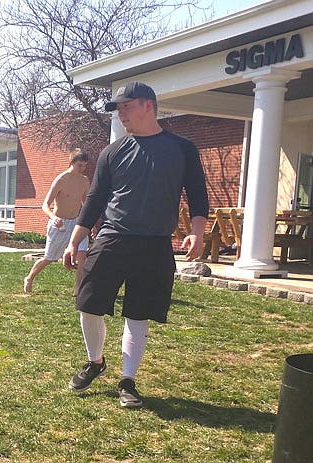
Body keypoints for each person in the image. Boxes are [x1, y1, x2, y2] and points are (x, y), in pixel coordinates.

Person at [62, 81, 208, 408]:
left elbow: (198, 194)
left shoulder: (182, 148)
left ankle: (128, 381)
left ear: (148, 106)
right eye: (119, 110)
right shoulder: (112, 152)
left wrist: (197, 231)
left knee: (138, 315)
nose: (122, 115)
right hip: (112, 236)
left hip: (155, 243)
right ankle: (96, 362)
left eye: (126, 107)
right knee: (88, 303)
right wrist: (75, 240)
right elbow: (96, 199)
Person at [24, 148, 91, 295]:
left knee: (82, 254)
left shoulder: (85, 181)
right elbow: (45, 205)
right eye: (80, 165)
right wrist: (54, 218)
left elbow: (86, 205)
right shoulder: (61, 180)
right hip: (59, 224)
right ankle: (29, 278)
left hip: (76, 224)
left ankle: (78, 288)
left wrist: (89, 222)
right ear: (71, 163)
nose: (82, 168)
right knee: (50, 258)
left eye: (85, 166)